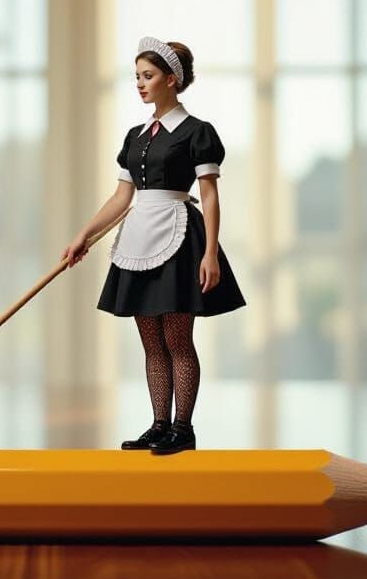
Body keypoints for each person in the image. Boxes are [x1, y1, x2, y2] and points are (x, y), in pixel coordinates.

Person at [61, 37, 246, 454]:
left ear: (172, 80)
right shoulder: (136, 137)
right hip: (141, 236)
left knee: (179, 338)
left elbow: (210, 194)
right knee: (151, 342)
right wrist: (84, 236)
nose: (140, 84)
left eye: (148, 76)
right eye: (137, 77)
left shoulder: (197, 132)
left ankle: (184, 428)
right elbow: (121, 198)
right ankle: (160, 423)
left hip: (181, 236)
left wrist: (211, 252)